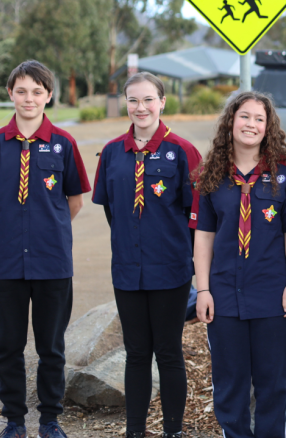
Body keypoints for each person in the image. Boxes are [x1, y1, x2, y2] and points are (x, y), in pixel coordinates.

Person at [0, 60, 90, 438]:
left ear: (49, 96)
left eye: (37, 92)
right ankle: (14, 420)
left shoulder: (64, 144)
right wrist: (16, 230)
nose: (29, 98)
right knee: (8, 346)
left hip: (52, 262)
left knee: (51, 348)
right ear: (10, 94)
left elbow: (73, 201)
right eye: (21, 91)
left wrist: (45, 230)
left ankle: (50, 420)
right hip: (5, 263)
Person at [92, 73, 202, 438]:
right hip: (127, 270)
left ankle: (173, 431)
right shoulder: (111, 153)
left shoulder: (183, 151)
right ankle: (135, 431)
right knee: (136, 352)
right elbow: (113, 211)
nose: (141, 108)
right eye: (134, 100)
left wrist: (181, 258)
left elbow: (195, 216)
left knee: (168, 352)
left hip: (170, 270)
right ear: (126, 103)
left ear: (163, 102)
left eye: (148, 100)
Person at [191, 92, 286, 438]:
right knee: (230, 382)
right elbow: (204, 238)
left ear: (268, 128)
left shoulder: (285, 175)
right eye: (245, 116)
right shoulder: (211, 175)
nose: (251, 124)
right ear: (230, 122)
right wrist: (204, 289)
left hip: (271, 294)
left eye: (259, 119)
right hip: (223, 295)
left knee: (272, 384)